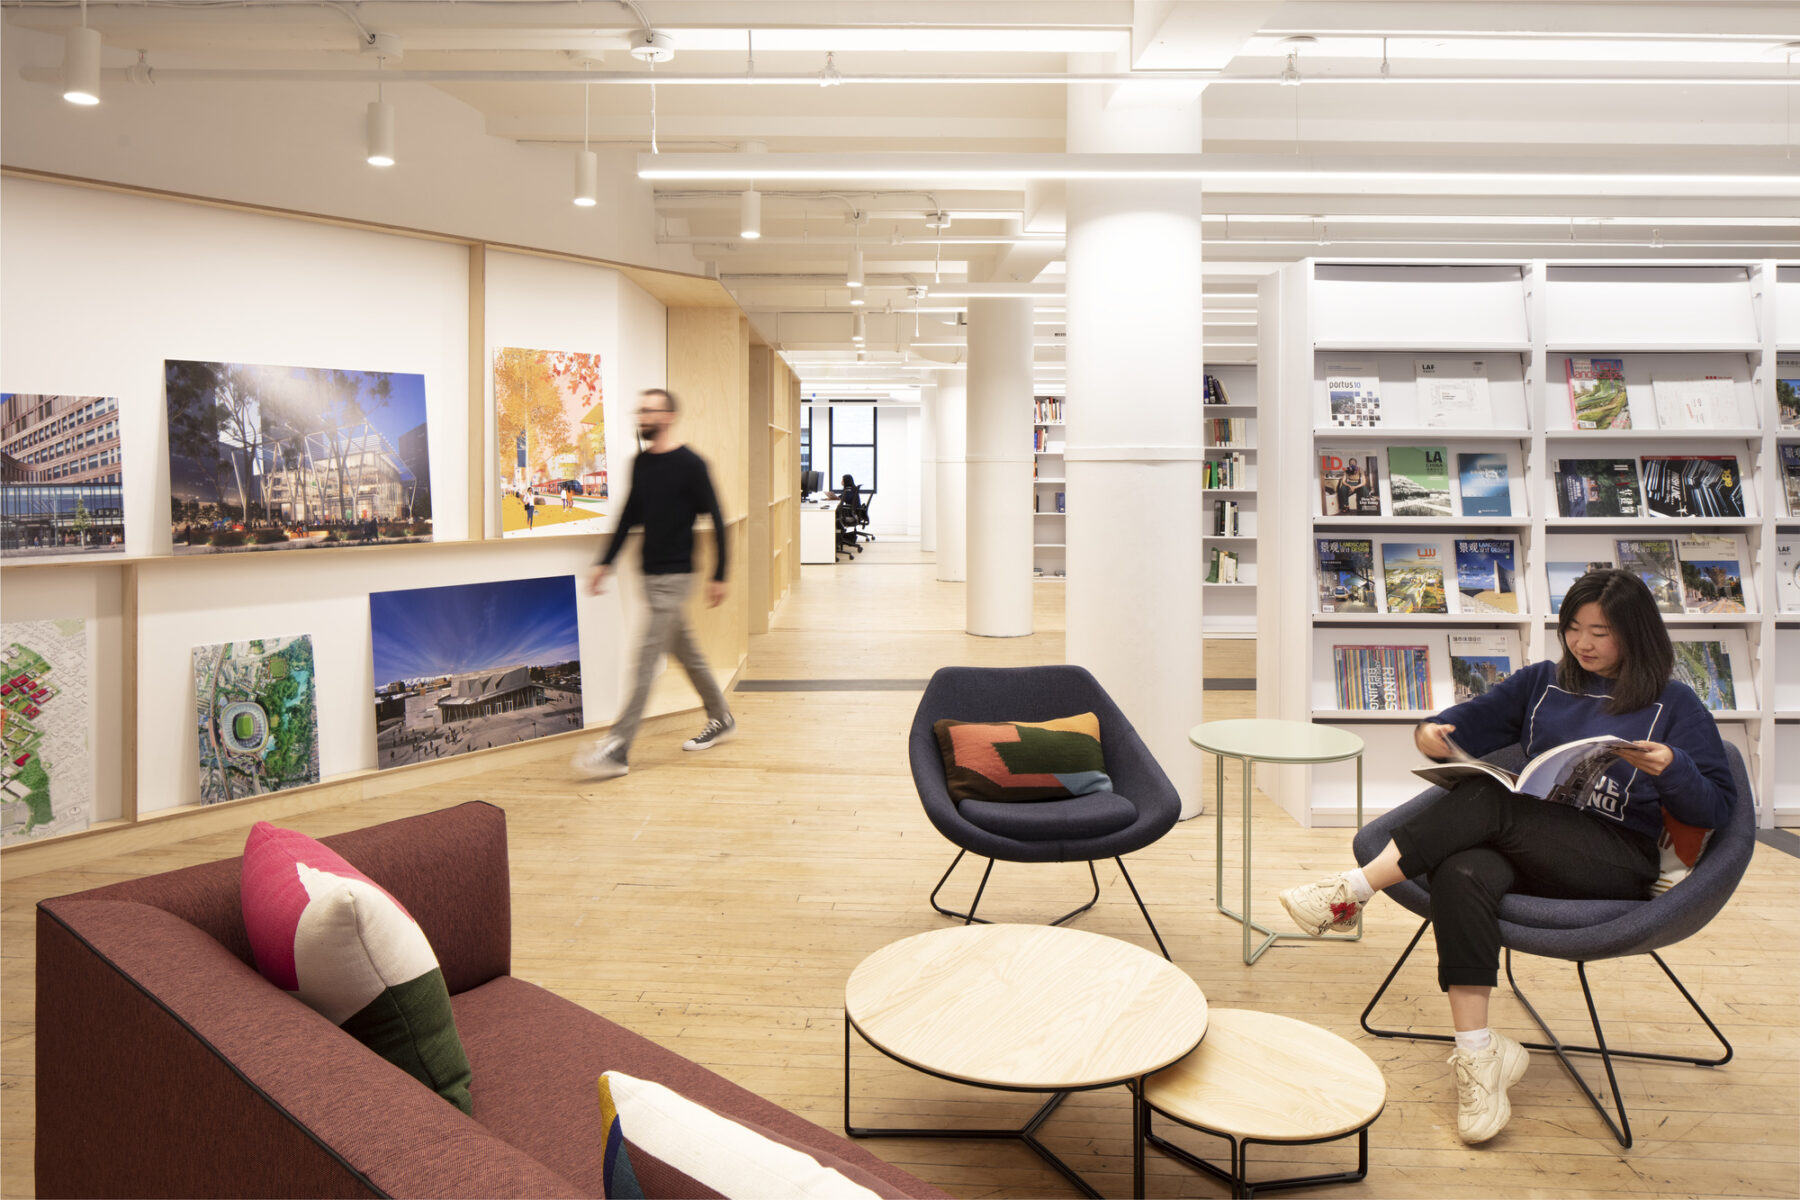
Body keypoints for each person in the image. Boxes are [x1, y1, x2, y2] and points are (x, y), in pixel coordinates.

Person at [1278, 569, 1733, 1146]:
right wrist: (1431, 733)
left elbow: (1716, 807)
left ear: (1636, 634)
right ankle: (1478, 1057)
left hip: (1614, 861)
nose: (1582, 644)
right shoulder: (1543, 682)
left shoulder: (1676, 703)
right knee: (1461, 868)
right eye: (1572, 628)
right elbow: (1468, 721)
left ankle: (1351, 892)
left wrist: (1674, 768)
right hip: (1532, 843)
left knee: (1491, 801)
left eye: (1600, 632)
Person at [572, 388, 736, 780]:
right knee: (688, 653)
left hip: (677, 576)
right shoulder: (642, 464)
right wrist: (605, 563)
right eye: (640, 409)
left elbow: (716, 516)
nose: (641, 416)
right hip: (650, 575)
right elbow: (629, 515)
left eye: (648, 410)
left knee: (645, 659)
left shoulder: (692, 464)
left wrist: (720, 574)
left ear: (667, 416)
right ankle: (721, 716)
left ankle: (617, 747)